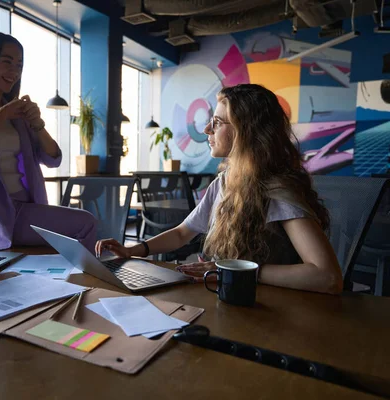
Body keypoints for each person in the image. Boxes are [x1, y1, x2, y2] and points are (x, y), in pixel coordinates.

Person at [96, 84, 343, 295]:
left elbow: (328, 277)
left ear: (247, 131)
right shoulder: (225, 182)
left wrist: (234, 269)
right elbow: (183, 233)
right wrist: (131, 250)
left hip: (269, 306)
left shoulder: (275, 190)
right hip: (227, 292)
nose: (206, 130)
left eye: (216, 122)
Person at [0, 32, 97, 251]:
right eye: (7, 62)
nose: (14, 71)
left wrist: (37, 124)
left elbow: (53, 159)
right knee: (82, 226)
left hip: (22, 210)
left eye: (19, 65)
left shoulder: (16, 111)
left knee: (86, 223)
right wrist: (2, 113)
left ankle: (76, 283)